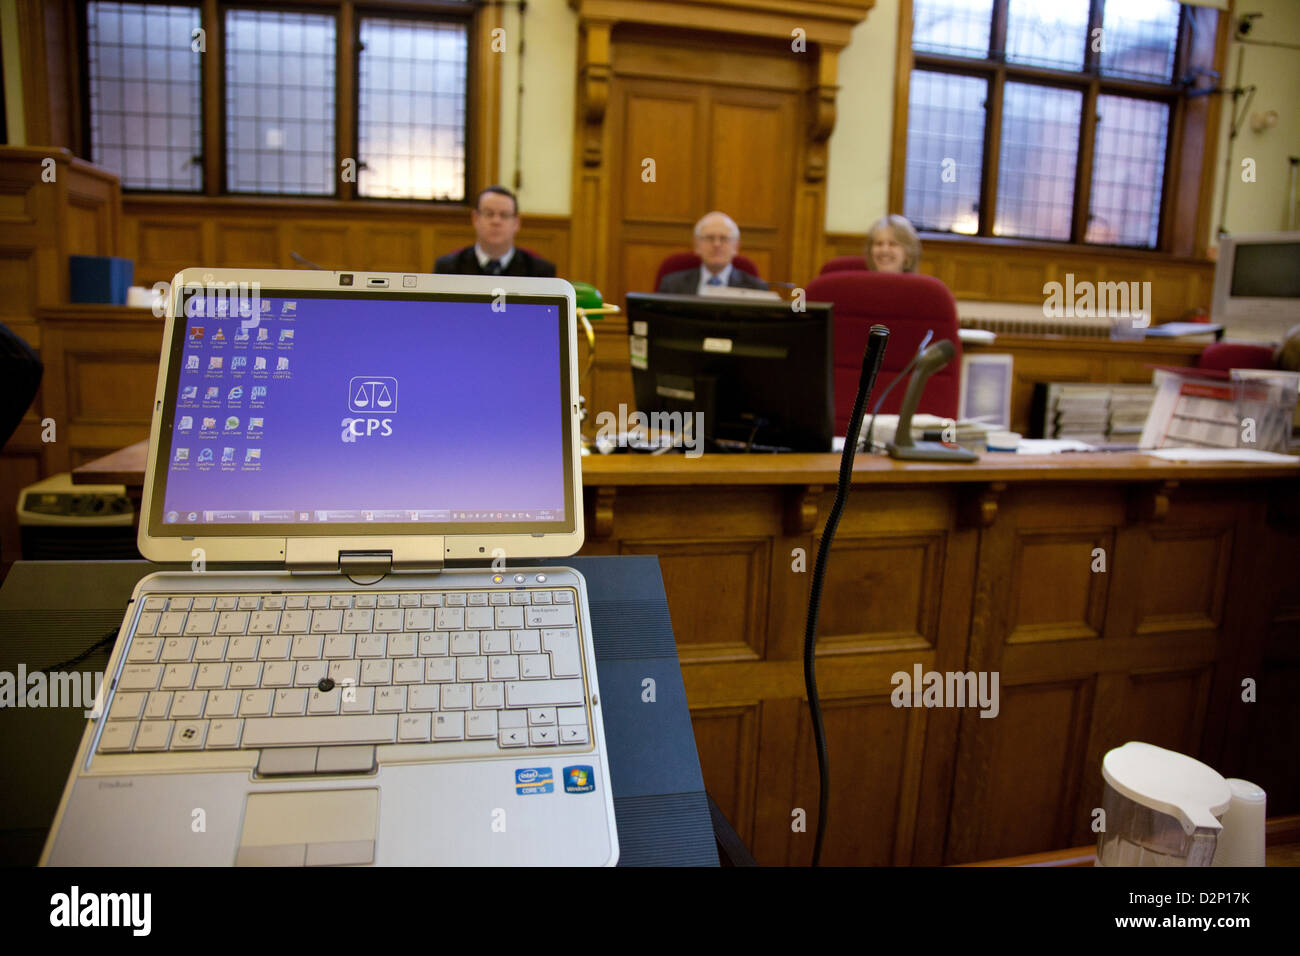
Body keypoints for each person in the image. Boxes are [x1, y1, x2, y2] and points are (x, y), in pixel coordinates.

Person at [434, 185, 556, 277]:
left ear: (516, 223)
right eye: (489, 214)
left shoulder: (540, 272)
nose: (496, 221)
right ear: (475, 218)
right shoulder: (448, 269)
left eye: (504, 215)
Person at [657, 211, 769, 294]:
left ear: (736, 246)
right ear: (696, 245)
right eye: (709, 238)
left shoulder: (756, 288)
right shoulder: (672, 285)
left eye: (724, 238)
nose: (716, 244)